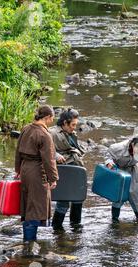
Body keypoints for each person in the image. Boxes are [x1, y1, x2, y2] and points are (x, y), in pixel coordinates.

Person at [15, 105, 58, 250]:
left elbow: (18, 151)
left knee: (27, 204)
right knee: (35, 205)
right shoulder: (45, 135)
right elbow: (49, 159)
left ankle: (28, 240)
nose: (52, 120)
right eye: (52, 118)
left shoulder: (26, 128)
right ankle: (29, 241)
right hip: (37, 172)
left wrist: (18, 169)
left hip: (25, 169)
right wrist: (53, 178)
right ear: (47, 117)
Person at [49, 108, 86, 231]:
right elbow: (42, 149)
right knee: (63, 202)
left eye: (76, 125)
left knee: (78, 198)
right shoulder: (52, 133)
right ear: (64, 123)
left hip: (76, 170)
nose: (74, 127)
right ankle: (57, 229)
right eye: (73, 125)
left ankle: (75, 226)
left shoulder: (71, 133)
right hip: (63, 172)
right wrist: (55, 155)